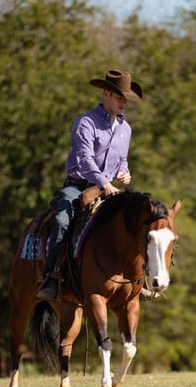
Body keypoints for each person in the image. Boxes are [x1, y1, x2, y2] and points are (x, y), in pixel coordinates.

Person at [36, 69, 143, 300]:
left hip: (109, 190)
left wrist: (125, 173)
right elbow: (85, 161)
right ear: (106, 94)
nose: (124, 102)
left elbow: (122, 160)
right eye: (119, 97)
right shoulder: (86, 123)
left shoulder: (126, 129)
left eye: (126, 98)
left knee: (137, 220)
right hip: (78, 185)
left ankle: (136, 278)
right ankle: (52, 276)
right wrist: (104, 183)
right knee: (62, 220)